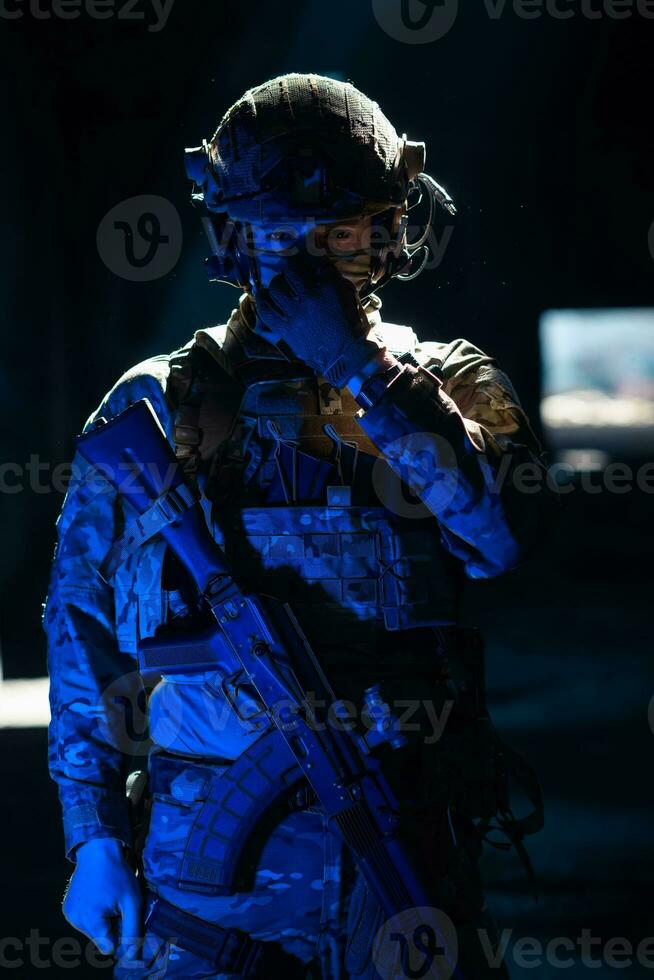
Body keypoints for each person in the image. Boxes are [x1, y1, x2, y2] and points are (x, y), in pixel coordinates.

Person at [44, 72, 553, 978]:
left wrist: (363, 374)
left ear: (392, 227)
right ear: (235, 234)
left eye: (344, 225)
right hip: (201, 896)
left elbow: (500, 535)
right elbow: (83, 642)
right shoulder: (156, 410)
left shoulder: (451, 386)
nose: (316, 250)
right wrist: (90, 842)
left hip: (403, 871)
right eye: (285, 226)